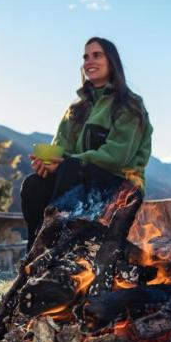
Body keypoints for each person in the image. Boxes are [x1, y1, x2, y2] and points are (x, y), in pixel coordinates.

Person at [21, 37, 153, 249]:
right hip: (78, 179)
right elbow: (60, 149)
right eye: (85, 56)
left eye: (97, 55)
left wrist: (65, 162)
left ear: (112, 61)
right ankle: (35, 252)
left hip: (120, 186)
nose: (89, 60)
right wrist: (46, 163)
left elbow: (117, 156)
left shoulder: (129, 104)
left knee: (70, 167)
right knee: (33, 184)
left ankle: (59, 247)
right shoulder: (75, 109)